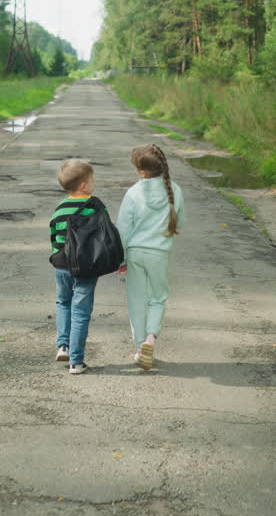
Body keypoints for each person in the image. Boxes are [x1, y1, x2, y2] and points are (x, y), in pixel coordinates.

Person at [116, 144, 184, 370]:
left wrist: (122, 259)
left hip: (135, 252)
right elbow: (178, 223)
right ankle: (150, 339)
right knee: (158, 298)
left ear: (142, 171)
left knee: (137, 300)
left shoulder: (134, 192)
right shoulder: (175, 190)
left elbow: (123, 229)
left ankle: (139, 348)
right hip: (159, 254)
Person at [49, 159, 106, 375]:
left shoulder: (59, 207)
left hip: (62, 265)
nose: (94, 183)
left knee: (63, 302)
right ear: (84, 186)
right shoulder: (95, 205)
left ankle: (62, 345)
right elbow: (105, 235)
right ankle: (76, 361)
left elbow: (54, 237)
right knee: (80, 312)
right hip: (86, 268)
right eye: (92, 180)